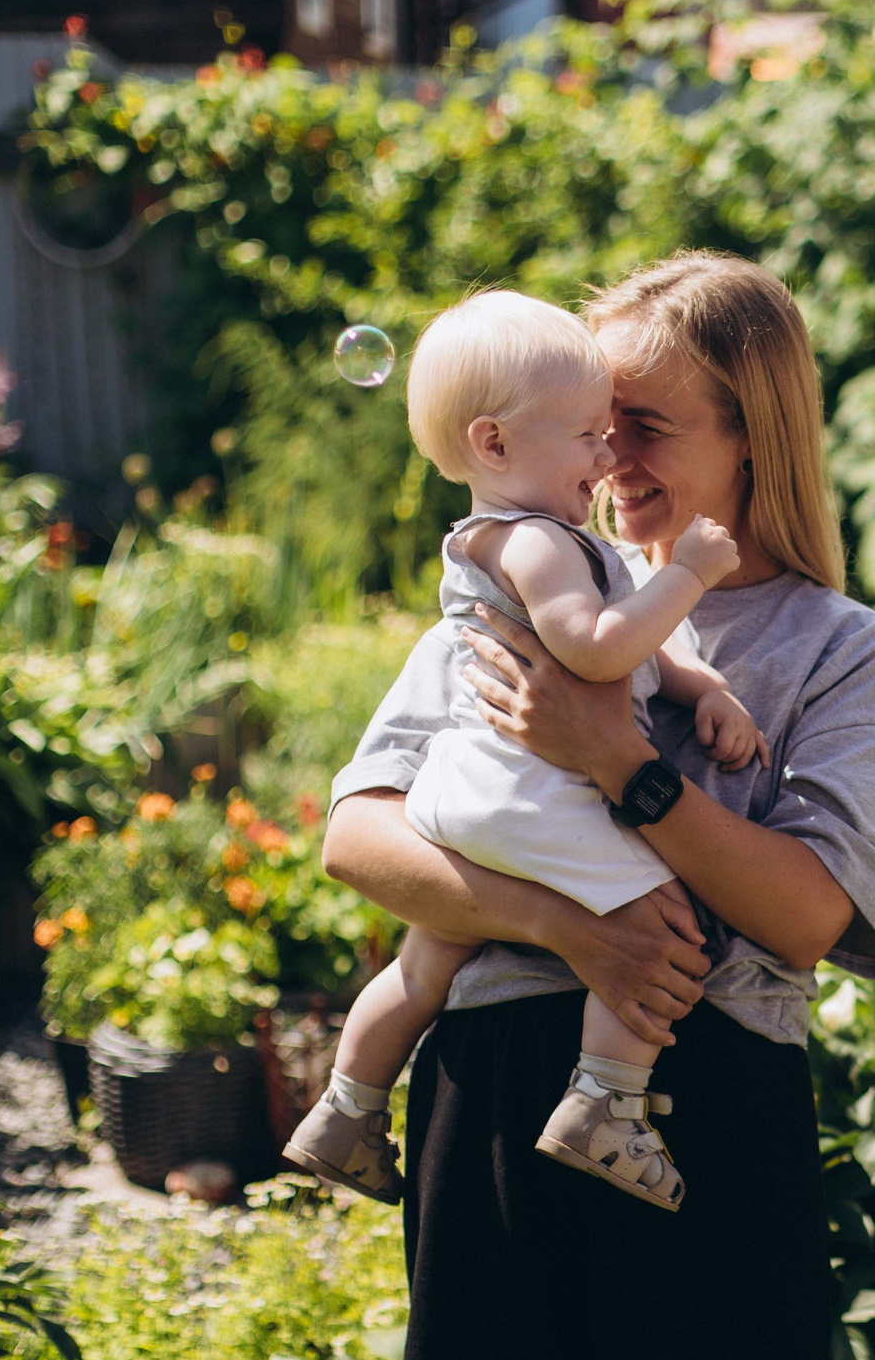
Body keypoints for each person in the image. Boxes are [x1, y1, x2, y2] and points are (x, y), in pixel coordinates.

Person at [320, 252, 875, 1360]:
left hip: (701, 1106)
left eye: (642, 420)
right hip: (499, 1084)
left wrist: (625, 765)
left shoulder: (838, 650)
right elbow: (361, 837)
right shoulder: (517, 588)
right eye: (594, 415)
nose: (609, 453)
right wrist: (558, 923)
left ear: (750, 432)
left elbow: (810, 915)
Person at [286, 289, 768, 1213]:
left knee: (427, 962)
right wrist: (691, 574)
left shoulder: (499, 543)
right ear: (495, 444)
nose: (606, 456)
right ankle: (605, 1104)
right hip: (531, 791)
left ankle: (345, 1108)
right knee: (664, 915)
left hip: (469, 801)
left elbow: (643, 653)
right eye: (588, 434)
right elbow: (597, 648)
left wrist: (702, 686)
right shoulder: (541, 544)